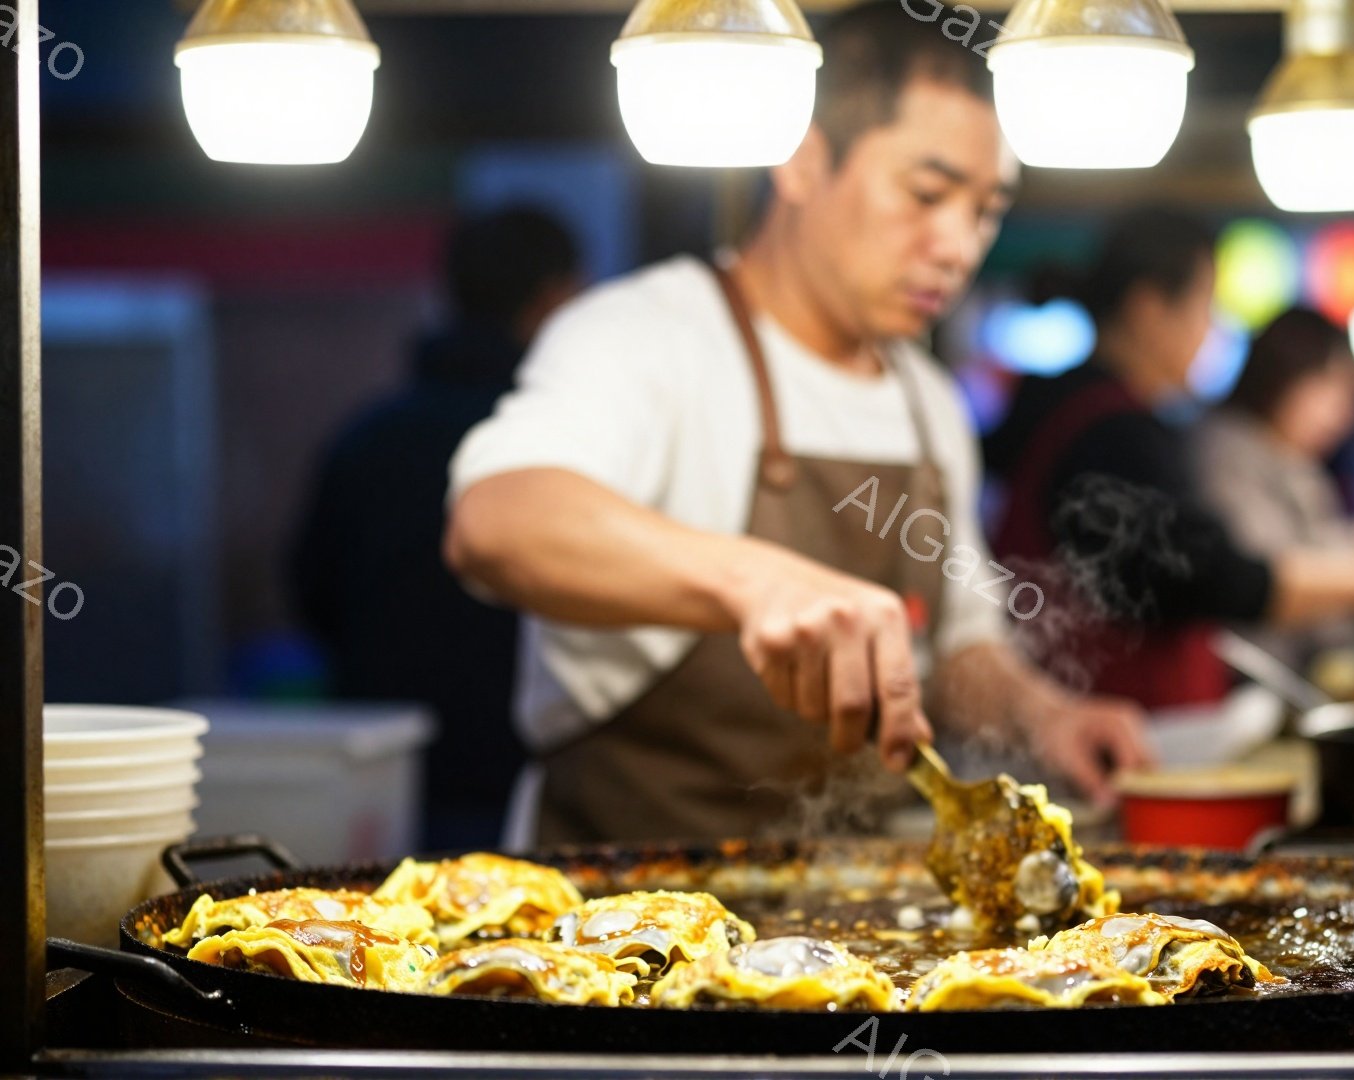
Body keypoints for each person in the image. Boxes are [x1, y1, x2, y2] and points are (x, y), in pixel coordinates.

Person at [443, 2, 1151, 847]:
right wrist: (757, 583)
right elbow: (496, 522)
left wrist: (1047, 715)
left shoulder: (928, 400)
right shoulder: (646, 335)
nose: (958, 246)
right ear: (804, 160)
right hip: (622, 897)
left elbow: (961, 650)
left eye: (985, 211)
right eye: (927, 194)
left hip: (857, 905)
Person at [983, 209, 1354, 713]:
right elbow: (1209, 576)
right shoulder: (1113, 431)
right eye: (1206, 307)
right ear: (1149, 309)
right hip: (1108, 714)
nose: (1212, 331)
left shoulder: (1076, 407)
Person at [293, 206, 582, 850]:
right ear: (552, 300)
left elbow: (311, 595)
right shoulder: (559, 445)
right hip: (517, 776)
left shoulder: (367, 437)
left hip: (379, 775)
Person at [1193, 307, 1354, 667]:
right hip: (1247, 681)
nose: (1344, 414)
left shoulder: (1292, 459)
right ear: (1282, 373)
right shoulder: (1225, 452)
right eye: (1331, 388)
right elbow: (1264, 577)